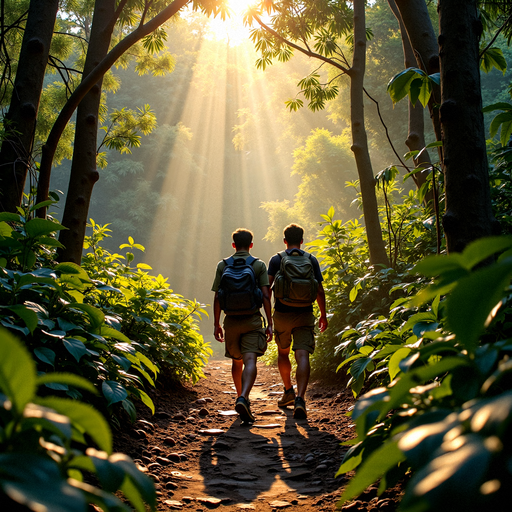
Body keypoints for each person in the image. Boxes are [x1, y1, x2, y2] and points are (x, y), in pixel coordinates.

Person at [212, 228, 273, 423]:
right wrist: (270, 323)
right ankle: (244, 397)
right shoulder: (258, 265)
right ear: (251, 245)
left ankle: (241, 397)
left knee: (236, 362)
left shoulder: (223, 265)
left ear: (233, 245)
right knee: (250, 360)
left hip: (231, 321)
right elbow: (265, 295)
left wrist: (216, 324)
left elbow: (217, 297)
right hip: (252, 320)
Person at [268, 223, 328, 419]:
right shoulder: (311, 259)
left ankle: (288, 391)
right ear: (302, 241)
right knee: (303, 356)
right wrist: (323, 315)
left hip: (282, 314)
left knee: (283, 353)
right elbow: (319, 290)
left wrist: (268, 317)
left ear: (284, 240)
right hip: (304, 314)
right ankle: (301, 398)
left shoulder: (276, 260)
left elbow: (266, 289)